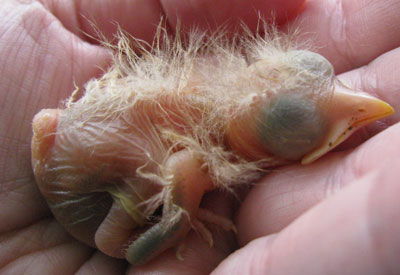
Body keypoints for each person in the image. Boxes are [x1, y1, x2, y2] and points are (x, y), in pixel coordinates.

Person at [1, 0, 399, 274]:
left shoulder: (207, 76)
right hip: (87, 206)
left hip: (55, 131)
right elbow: (180, 165)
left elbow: (47, 123)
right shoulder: (204, 159)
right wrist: (180, 217)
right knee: (150, 176)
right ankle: (121, 241)